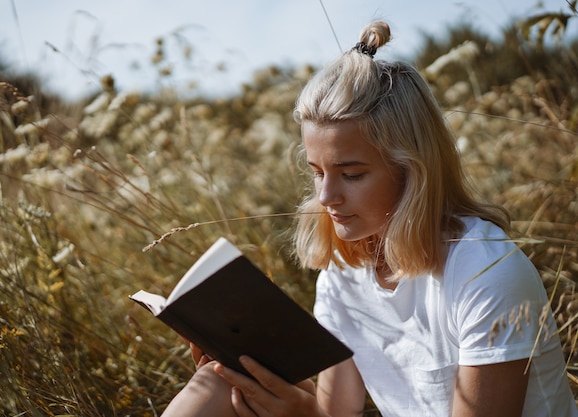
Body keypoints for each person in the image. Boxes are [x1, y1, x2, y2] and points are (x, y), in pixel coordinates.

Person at [160, 21, 578, 417]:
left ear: (412, 169)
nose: (326, 197)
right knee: (218, 382)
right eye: (317, 172)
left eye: (352, 174)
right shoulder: (344, 274)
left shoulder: (486, 273)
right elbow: (336, 411)